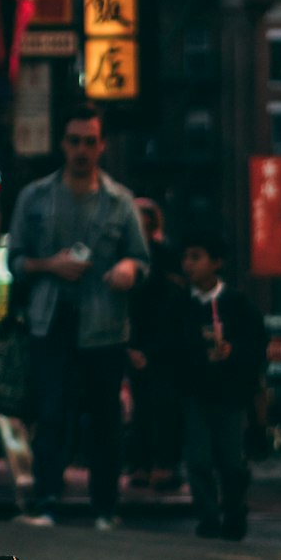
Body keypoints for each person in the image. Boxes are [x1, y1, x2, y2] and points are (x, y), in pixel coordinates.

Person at [6, 101, 149, 529]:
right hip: (50, 322)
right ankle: (47, 501)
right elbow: (14, 261)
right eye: (74, 141)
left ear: (102, 145)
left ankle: (105, 508)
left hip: (104, 326)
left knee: (104, 419)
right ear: (62, 144)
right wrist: (51, 265)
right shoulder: (35, 197)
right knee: (51, 414)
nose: (82, 150)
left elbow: (142, 261)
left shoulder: (120, 202)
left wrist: (128, 269)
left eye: (90, 142)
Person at [174, 231, 266, 540]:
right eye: (186, 257)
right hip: (194, 393)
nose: (189, 264)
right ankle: (208, 516)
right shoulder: (182, 304)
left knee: (231, 461)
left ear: (216, 262)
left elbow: (256, 345)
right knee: (198, 458)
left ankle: (234, 511)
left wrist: (234, 352)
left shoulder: (236, 303)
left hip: (229, 394)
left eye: (196, 257)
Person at [125, 198, 183, 491]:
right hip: (141, 341)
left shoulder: (161, 256)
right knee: (146, 407)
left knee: (158, 406)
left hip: (160, 343)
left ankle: (158, 464)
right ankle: (148, 464)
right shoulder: (134, 258)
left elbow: (169, 306)